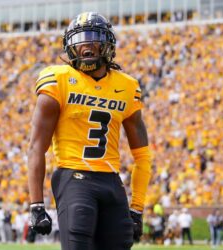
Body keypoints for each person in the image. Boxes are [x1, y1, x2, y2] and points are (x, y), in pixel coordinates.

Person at [27, 11, 151, 250]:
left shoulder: (126, 86)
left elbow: (143, 155)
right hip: (74, 178)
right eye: (80, 37)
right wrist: (36, 205)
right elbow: (36, 148)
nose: (86, 43)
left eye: (93, 36)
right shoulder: (58, 79)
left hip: (112, 182)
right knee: (78, 240)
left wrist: (136, 207)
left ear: (108, 44)